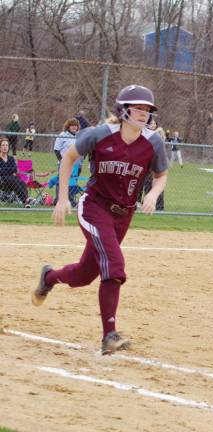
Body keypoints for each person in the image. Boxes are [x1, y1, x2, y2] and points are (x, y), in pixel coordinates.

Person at [31, 84, 168, 355]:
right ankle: (109, 336)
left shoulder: (153, 142)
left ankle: (49, 277)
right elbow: (68, 158)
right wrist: (62, 198)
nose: (144, 113)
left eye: (148, 109)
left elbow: (161, 175)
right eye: (138, 107)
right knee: (114, 264)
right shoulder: (99, 135)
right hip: (94, 207)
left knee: (84, 275)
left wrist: (153, 193)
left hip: (123, 214)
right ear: (124, 110)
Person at [53, 118, 83, 204]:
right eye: (72, 126)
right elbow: (56, 150)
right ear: (68, 126)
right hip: (65, 163)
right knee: (62, 181)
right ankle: (59, 200)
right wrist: (62, 161)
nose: (74, 127)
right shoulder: (63, 135)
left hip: (76, 164)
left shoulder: (79, 136)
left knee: (73, 182)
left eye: (75, 126)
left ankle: (70, 199)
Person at [141, 119, 166, 211]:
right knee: (146, 185)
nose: (152, 125)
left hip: (155, 164)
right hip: (146, 164)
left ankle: (159, 207)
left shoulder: (157, 134)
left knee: (158, 185)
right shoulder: (142, 134)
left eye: (154, 123)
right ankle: (145, 205)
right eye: (150, 123)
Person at [0, 137, 29, 206]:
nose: (5, 147)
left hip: (11, 180)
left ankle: (26, 201)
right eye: (3, 145)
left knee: (22, 182)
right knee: (14, 180)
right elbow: (2, 172)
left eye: (6, 145)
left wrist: (4, 169)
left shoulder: (11, 158)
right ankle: (26, 200)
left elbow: (15, 170)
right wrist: (9, 170)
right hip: (2, 181)